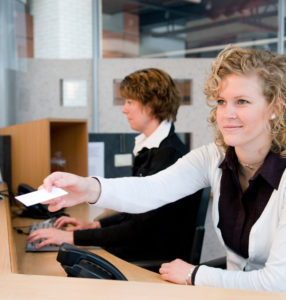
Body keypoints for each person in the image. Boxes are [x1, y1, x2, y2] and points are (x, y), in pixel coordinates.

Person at [32, 45, 286, 292]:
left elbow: (277, 282)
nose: (227, 113)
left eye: (242, 101)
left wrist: (194, 274)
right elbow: (152, 189)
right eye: (221, 101)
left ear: (275, 108)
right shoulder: (214, 157)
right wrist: (88, 188)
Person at [27, 68, 202, 265]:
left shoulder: (168, 154)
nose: (124, 109)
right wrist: (95, 224)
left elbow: (140, 229)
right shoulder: (152, 148)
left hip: (151, 257)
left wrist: (72, 238)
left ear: (152, 104)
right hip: (140, 246)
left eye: (129, 102)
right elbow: (135, 211)